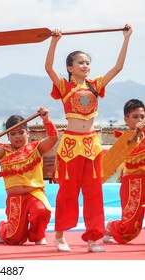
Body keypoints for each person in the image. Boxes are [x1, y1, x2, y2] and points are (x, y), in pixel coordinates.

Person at [45, 24, 132, 252]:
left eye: (87, 63)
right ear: (70, 68)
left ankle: (93, 238)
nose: (86, 66)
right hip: (72, 145)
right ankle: (60, 235)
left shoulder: (95, 85)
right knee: (67, 191)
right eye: (81, 62)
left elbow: (119, 67)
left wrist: (126, 38)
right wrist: (54, 42)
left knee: (94, 192)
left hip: (91, 145)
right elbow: (48, 68)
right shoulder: (64, 86)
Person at [0, 108, 58, 245]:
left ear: (27, 133)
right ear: (8, 136)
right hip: (15, 198)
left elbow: (53, 138)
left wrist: (46, 120)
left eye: (21, 132)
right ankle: (3, 227)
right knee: (15, 239)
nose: (17, 137)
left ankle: (37, 235)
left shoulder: (36, 148)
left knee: (42, 210)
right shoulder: (4, 151)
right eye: (13, 134)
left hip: (34, 193)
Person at [103, 99, 145, 244]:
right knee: (129, 230)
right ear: (126, 119)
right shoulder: (124, 139)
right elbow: (134, 153)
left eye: (142, 117)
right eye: (135, 117)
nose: (140, 120)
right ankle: (110, 226)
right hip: (133, 184)